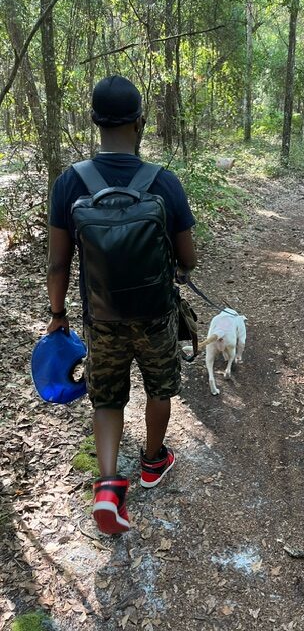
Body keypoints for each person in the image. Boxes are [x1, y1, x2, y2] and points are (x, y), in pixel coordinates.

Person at [46, 75, 196, 534]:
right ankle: (152, 462)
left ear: (94, 122)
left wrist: (57, 317)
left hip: (100, 316)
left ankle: (109, 484)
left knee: (107, 398)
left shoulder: (70, 182)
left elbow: (57, 263)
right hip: (155, 315)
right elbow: (189, 258)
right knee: (159, 388)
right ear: (139, 123)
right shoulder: (163, 182)